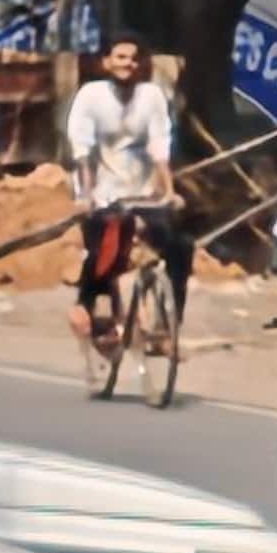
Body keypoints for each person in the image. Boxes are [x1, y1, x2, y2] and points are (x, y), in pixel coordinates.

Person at [65, 31, 192, 356]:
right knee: (106, 251)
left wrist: (169, 191)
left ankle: (168, 327)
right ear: (106, 62)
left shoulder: (151, 96)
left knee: (180, 247)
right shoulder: (91, 96)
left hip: (141, 190)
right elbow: (83, 150)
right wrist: (87, 195)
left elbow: (160, 146)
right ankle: (86, 306)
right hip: (102, 190)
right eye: (120, 58)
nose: (128, 65)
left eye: (134, 59)